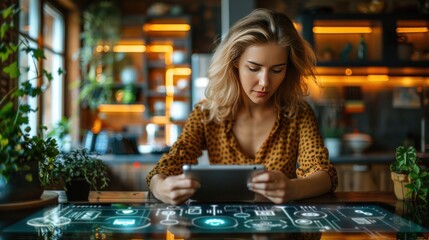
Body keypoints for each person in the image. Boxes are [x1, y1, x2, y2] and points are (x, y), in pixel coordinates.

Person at [146, 8, 338, 205]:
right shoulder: (207, 114)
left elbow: (324, 174)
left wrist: (293, 188)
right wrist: (161, 187)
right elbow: (165, 167)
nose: (264, 82)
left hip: (280, 230)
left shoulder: (298, 113)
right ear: (235, 62)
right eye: (254, 68)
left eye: (277, 70)